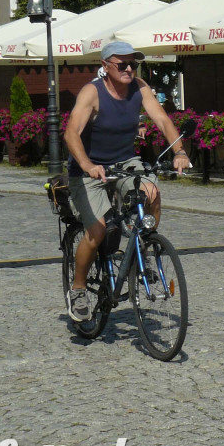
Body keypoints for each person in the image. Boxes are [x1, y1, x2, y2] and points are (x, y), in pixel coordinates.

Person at [64, 42, 191, 322]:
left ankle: (144, 248)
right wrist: (86, 164)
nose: (129, 69)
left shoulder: (139, 88)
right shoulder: (92, 92)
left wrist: (180, 151)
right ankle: (78, 288)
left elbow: (163, 120)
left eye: (133, 64)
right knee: (98, 231)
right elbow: (71, 133)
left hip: (124, 164)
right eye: (122, 65)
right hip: (88, 170)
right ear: (106, 65)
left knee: (152, 192)